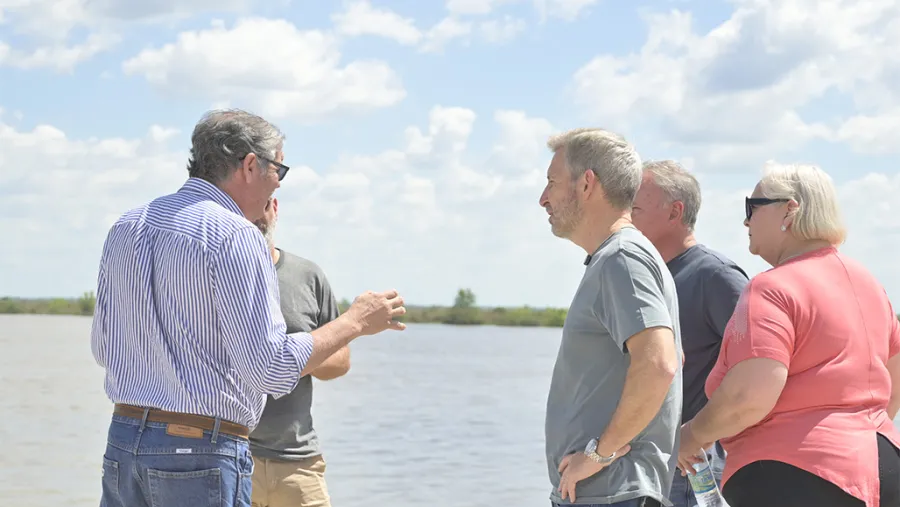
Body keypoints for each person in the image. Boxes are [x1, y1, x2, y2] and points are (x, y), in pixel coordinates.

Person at [91, 109, 406, 507]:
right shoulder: (237, 235)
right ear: (251, 165)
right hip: (200, 451)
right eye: (280, 169)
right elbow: (270, 370)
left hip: (122, 441)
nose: (278, 184)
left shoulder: (126, 226)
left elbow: (104, 349)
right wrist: (355, 321)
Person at [677, 163, 900, 507]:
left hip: (794, 475)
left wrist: (692, 436)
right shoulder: (869, 283)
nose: (746, 221)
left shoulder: (772, 287)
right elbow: (894, 378)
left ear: (790, 210)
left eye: (752, 206)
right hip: (884, 465)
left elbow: (748, 396)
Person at [539, 128, 683, 507]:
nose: (543, 199)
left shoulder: (623, 258)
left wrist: (599, 454)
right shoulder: (618, 257)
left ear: (587, 184)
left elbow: (659, 363)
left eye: (552, 183)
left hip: (613, 492)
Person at [631, 160, 748, 507]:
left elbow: (755, 371)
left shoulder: (717, 277)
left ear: (675, 212)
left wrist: (699, 435)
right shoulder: (647, 275)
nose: (625, 217)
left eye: (634, 207)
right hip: (643, 466)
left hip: (690, 470)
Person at [249, 196, 348, 507]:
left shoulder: (309, 276)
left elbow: (340, 362)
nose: (254, 214)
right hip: (231, 456)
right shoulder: (214, 275)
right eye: (243, 206)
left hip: (299, 461)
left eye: (261, 205)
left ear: (274, 207)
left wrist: (288, 356)